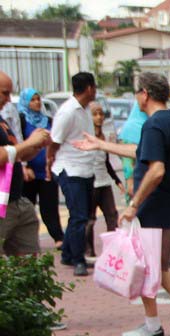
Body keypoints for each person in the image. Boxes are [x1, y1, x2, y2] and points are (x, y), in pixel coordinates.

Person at [75, 72, 170, 336]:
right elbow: (141, 153)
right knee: (158, 268)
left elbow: (156, 169)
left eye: (137, 91)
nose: (136, 97)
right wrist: (101, 144)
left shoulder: (153, 125)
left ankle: (154, 325)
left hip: (154, 210)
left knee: (147, 267)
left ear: (145, 94)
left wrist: (134, 204)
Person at [48, 71, 97, 276]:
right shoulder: (67, 111)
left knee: (81, 215)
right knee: (78, 216)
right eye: (94, 87)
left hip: (86, 169)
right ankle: (78, 260)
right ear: (89, 88)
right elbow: (54, 141)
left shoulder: (85, 109)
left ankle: (68, 253)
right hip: (70, 170)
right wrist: (49, 163)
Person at [0, 71, 51, 256]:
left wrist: (36, 146)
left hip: (15, 199)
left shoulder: (3, 121)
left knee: (28, 263)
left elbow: (15, 153)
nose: (8, 99)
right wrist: (30, 143)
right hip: (3, 204)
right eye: (4, 93)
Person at [17, 88, 62, 250]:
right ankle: (27, 240)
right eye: (32, 100)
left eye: (38, 99)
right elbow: (19, 143)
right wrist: (24, 166)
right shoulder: (21, 120)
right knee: (27, 208)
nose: (37, 102)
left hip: (47, 171)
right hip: (29, 172)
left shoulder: (48, 120)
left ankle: (58, 237)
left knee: (50, 206)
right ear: (26, 102)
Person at [85, 102, 122, 258]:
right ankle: (89, 251)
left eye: (101, 114)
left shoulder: (103, 137)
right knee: (90, 219)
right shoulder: (85, 135)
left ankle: (112, 251)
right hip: (90, 184)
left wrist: (117, 180)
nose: (99, 117)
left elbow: (106, 162)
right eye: (95, 114)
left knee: (112, 216)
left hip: (104, 182)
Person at [118, 100, 147, 200]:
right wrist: (130, 181)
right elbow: (128, 164)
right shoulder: (131, 130)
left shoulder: (149, 124)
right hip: (135, 183)